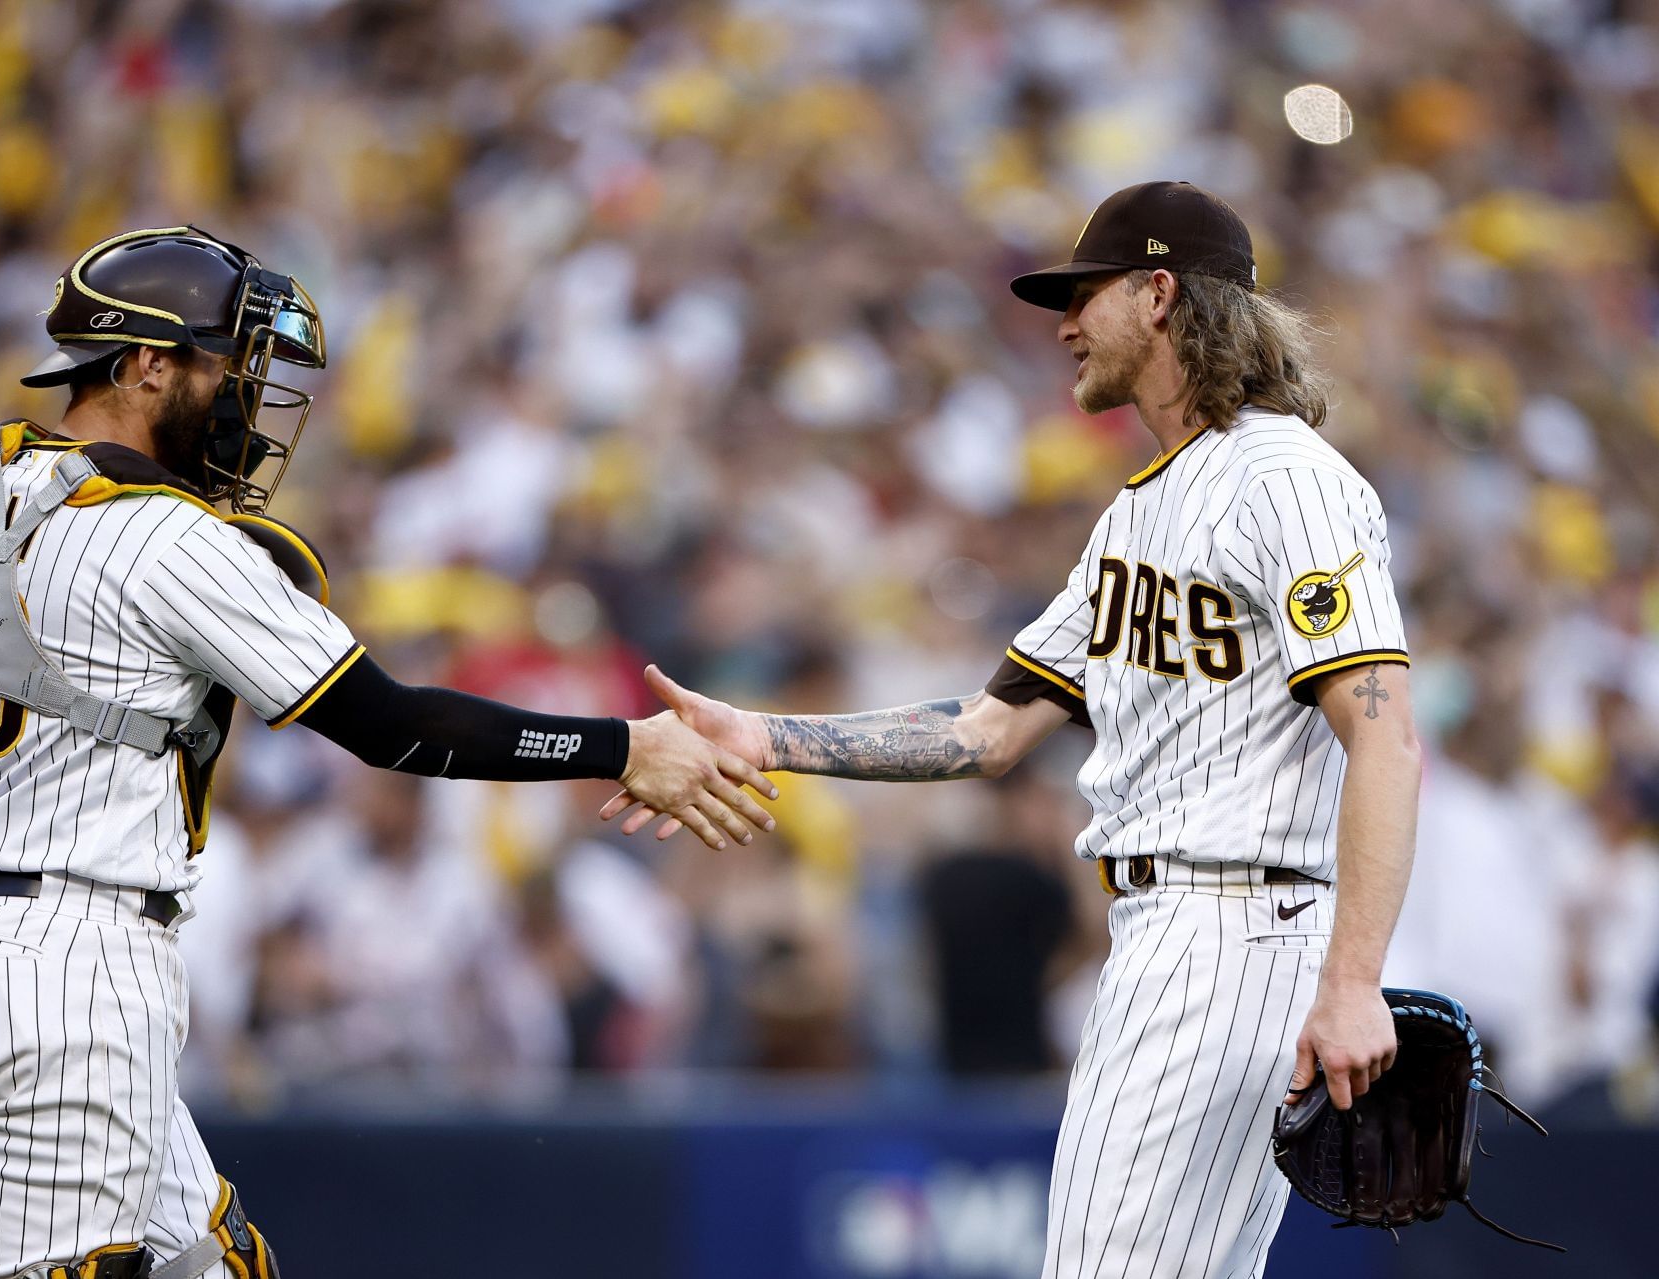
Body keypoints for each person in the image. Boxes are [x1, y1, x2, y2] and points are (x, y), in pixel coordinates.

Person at [0, 226, 776, 1279]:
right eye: (228, 365)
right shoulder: (168, 538)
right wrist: (621, 744)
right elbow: (390, 723)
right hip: (71, 974)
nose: (247, 399)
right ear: (145, 363)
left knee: (216, 1265)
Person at [605, 181, 1423, 1279]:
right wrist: (765, 735)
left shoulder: (1289, 480)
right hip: (1174, 931)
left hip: (1232, 926)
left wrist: (1355, 980)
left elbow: (1385, 736)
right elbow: (989, 728)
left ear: (1160, 294)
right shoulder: (1138, 510)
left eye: (1087, 294)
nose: (1066, 323)